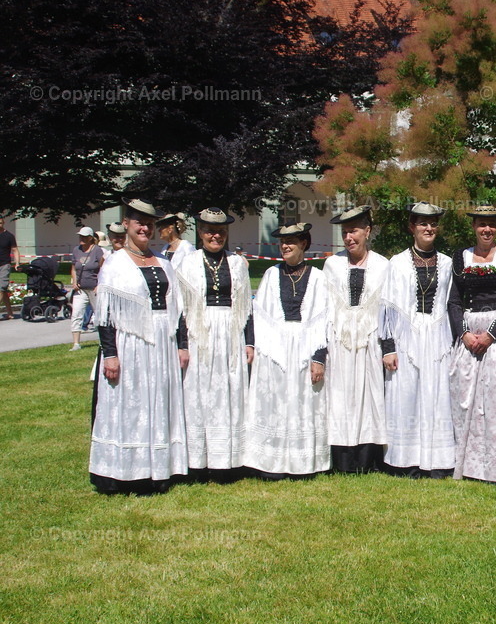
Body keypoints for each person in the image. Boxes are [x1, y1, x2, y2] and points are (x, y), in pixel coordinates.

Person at [90, 197, 188, 494]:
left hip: (162, 345)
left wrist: (182, 345)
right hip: (130, 344)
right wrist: (110, 355)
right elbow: (105, 315)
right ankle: (122, 472)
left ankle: (158, 470)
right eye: (138, 223)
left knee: (158, 401)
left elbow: (178, 310)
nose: (144, 228)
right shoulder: (116, 264)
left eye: (149, 224)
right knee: (130, 404)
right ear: (127, 225)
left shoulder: (165, 264)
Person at [244, 222, 330, 479]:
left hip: (305, 347)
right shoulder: (271, 274)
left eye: (291, 241)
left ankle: (301, 464)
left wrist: (318, 358)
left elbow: (323, 319)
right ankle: (271, 462)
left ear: (304, 243)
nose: (285, 246)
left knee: (303, 402)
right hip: (275, 349)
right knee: (275, 403)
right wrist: (256, 346)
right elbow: (258, 315)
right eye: (282, 242)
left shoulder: (317, 277)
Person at [447, 204, 496, 483]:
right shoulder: (461, 257)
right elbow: (454, 302)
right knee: (465, 399)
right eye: (481, 224)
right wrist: (465, 334)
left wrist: (491, 335)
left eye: (491, 224)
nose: (486, 229)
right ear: (474, 227)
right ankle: (468, 466)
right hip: (469, 335)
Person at [380, 202, 456, 478]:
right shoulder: (397, 263)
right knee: (406, 396)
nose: (428, 228)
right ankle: (406, 461)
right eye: (423, 223)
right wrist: (388, 347)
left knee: (437, 396)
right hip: (406, 339)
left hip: (438, 338)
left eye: (433, 223)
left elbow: (452, 304)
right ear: (412, 227)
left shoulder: (448, 263)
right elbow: (386, 307)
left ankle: (437, 461)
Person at [177, 208, 253, 479]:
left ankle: (231, 459)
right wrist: (182, 345)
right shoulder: (187, 263)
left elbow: (246, 309)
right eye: (209, 230)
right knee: (201, 393)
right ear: (200, 232)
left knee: (231, 392)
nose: (215, 236)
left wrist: (250, 344)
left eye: (220, 231)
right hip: (201, 334)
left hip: (232, 334)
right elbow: (180, 309)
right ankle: (199, 461)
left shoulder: (237, 263)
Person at [323, 204, 389, 473]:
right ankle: (342, 460)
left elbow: (387, 311)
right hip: (339, 342)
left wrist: (387, 347)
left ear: (368, 231)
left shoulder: (383, 265)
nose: (349, 238)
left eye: (354, 231)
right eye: (345, 232)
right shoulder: (332, 264)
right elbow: (325, 309)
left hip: (370, 342)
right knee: (341, 398)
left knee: (368, 398)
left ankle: (367, 459)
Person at [69, 227, 104, 350]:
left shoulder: (97, 250)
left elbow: (103, 269)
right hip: (81, 289)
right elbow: (73, 268)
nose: (81, 239)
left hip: (94, 288)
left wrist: (100, 284)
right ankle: (76, 343)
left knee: (99, 315)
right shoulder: (76, 250)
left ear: (90, 238)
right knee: (76, 314)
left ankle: (103, 341)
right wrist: (74, 281)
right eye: (80, 236)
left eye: (84, 237)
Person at [0, 215, 19, 320]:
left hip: (4, 265)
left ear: (3, 223)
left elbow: (15, 250)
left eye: (0, 223)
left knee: (1, 288)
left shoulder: (9, 236)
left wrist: (17, 263)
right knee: (3, 290)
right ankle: (10, 313)